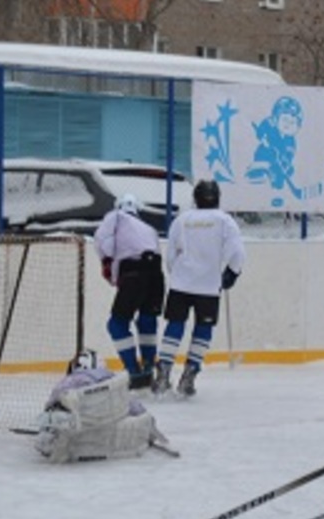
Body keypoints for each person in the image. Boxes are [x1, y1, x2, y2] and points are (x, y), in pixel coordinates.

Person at [153, 180, 245, 398]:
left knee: (174, 325)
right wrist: (232, 273)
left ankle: (164, 370)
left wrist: (177, 273)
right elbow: (237, 252)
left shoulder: (182, 219)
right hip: (209, 286)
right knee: (203, 330)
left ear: (196, 198)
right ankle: (190, 374)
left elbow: (171, 255)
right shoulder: (225, 221)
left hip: (181, 284)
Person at [33, 350, 168, 463]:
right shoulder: (112, 380)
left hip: (74, 421)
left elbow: (51, 403)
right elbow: (132, 404)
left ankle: (52, 434)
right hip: (104, 421)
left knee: (58, 412)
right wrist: (150, 423)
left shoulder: (68, 381)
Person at [94, 193, 163, 390]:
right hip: (156, 274)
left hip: (133, 274)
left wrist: (106, 260)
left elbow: (102, 241)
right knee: (147, 321)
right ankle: (150, 369)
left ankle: (133, 371)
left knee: (116, 324)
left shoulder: (115, 217)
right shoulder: (148, 228)